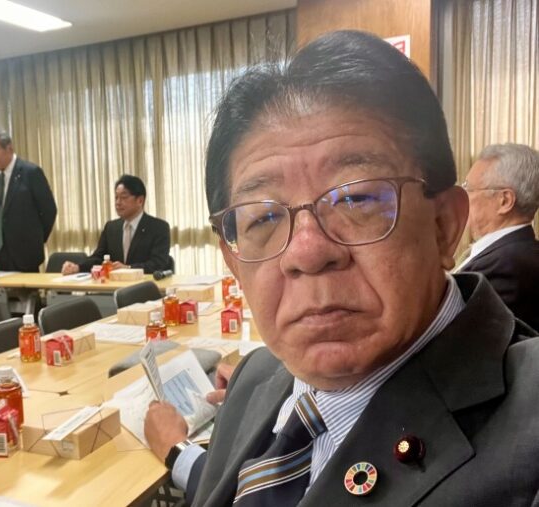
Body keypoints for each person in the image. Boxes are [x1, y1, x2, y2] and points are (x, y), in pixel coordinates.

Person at [144, 30, 539, 506]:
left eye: (356, 198)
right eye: (263, 218)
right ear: (233, 259)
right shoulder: (256, 375)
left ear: (444, 226)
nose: (307, 252)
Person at [458, 143, 539, 330]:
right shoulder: (515, 253)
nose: (462, 197)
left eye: (468, 188)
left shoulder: (507, 266)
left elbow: (461, 335)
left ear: (504, 201)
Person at [0, 128, 57, 272]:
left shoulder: (31, 172)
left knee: (24, 288)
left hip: (24, 252)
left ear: (9, 148)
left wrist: (36, 239)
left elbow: (49, 210)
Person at [61, 175, 172, 275]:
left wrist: (128, 269)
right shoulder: (111, 227)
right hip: (113, 287)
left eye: (124, 197)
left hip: (145, 287)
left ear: (140, 201)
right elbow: (98, 258)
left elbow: (157, 264)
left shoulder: (159, 228)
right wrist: (77, 267)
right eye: (116, 197)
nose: (118, 202)